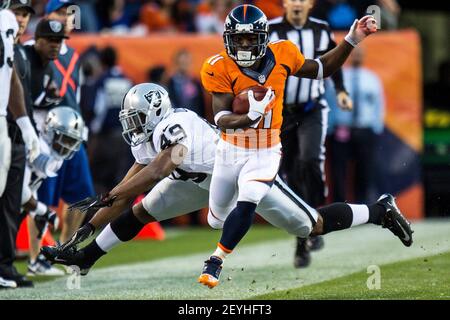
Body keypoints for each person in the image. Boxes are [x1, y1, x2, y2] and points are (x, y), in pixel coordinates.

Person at [41, 84, 412, 290]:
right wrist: (89, 227)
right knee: (141, 210)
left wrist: (114, 194)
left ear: (155, 112)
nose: (133, 124)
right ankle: (86, 260)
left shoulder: (175, 124)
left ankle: (380, 210)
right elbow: (129, 187)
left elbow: (161, 166)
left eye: (137, 117)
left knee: (310, 224)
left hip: (237, 171)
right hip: (196, 180)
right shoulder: (148, 137)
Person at [195, 4, 380, 288]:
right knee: (216, 219)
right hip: (231, 148)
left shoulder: (283, 53)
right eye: (239, 38)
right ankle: (229, 230)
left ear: (263, 37)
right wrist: (250, 116)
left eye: (249, 38)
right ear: (228, 38)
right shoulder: (217, 66)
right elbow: (220, 118)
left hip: (266, 148)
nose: (244, 44)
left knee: (250, 197)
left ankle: (215, 261)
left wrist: (352, 39)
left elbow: (322, 68)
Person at [268, 0, 353, 268]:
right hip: (280, 112)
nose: (296, 4)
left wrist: (340, 90)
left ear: (310, 4)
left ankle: (318, 216)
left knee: (309, 162)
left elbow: (333, 60)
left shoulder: (321, 29)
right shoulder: (269, 29)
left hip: (311, 109)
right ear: (284, 3)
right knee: (289, 174)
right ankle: (302, 241)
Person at [35, 0, 95, 246]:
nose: (66, 18)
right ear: (46, 16)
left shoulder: (74, 55)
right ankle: (37, 252)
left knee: (82, 194)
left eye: (70, 14)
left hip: (72, 132)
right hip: (47, 133)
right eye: (59, 13)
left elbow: (76, 95)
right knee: (44, 194)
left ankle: (66, 245)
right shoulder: (34, 48)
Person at [0, 0, 40, 289]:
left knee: (10, 201)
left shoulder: (15, 39)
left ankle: (4, 265)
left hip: (8, 125)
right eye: (18, 12)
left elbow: (11, 78)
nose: (21, 19)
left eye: (26, 14)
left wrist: (26, 126)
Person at [23, 106, 86, 276]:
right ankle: (35, 260)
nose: (68, 147)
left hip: (68, 124)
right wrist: (43, 211)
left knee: (82, 193)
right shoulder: (39, 147)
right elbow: (21, 192)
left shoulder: (59, 156)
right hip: (45, 128)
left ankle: (63, 251)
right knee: (37, 199)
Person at [327, 46, 385, 203]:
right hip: (341, 129)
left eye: (360, 54)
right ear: (348, 55)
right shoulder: (338, 77)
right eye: (354, 54)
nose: (357, 57)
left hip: (365, 130)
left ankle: (363, 206)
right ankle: (339, 207)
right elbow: (329, 103)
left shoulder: (372, 78)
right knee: (338, 171)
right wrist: (330, 128)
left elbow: (378, 104)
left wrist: (376, 128)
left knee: (365, 170)